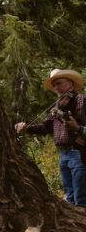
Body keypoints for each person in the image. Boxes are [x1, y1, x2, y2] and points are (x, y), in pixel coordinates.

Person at [16, 68, 86, 207]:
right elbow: (45, 127)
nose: (56, 88)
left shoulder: (80, 100)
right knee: (69, 196)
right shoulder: (58, 106)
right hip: (63, 154)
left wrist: (77, 128)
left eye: (59, 83)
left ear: (70, 84)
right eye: (54, 85)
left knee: (81, 197)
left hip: (78, 153)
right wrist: (27, 128)